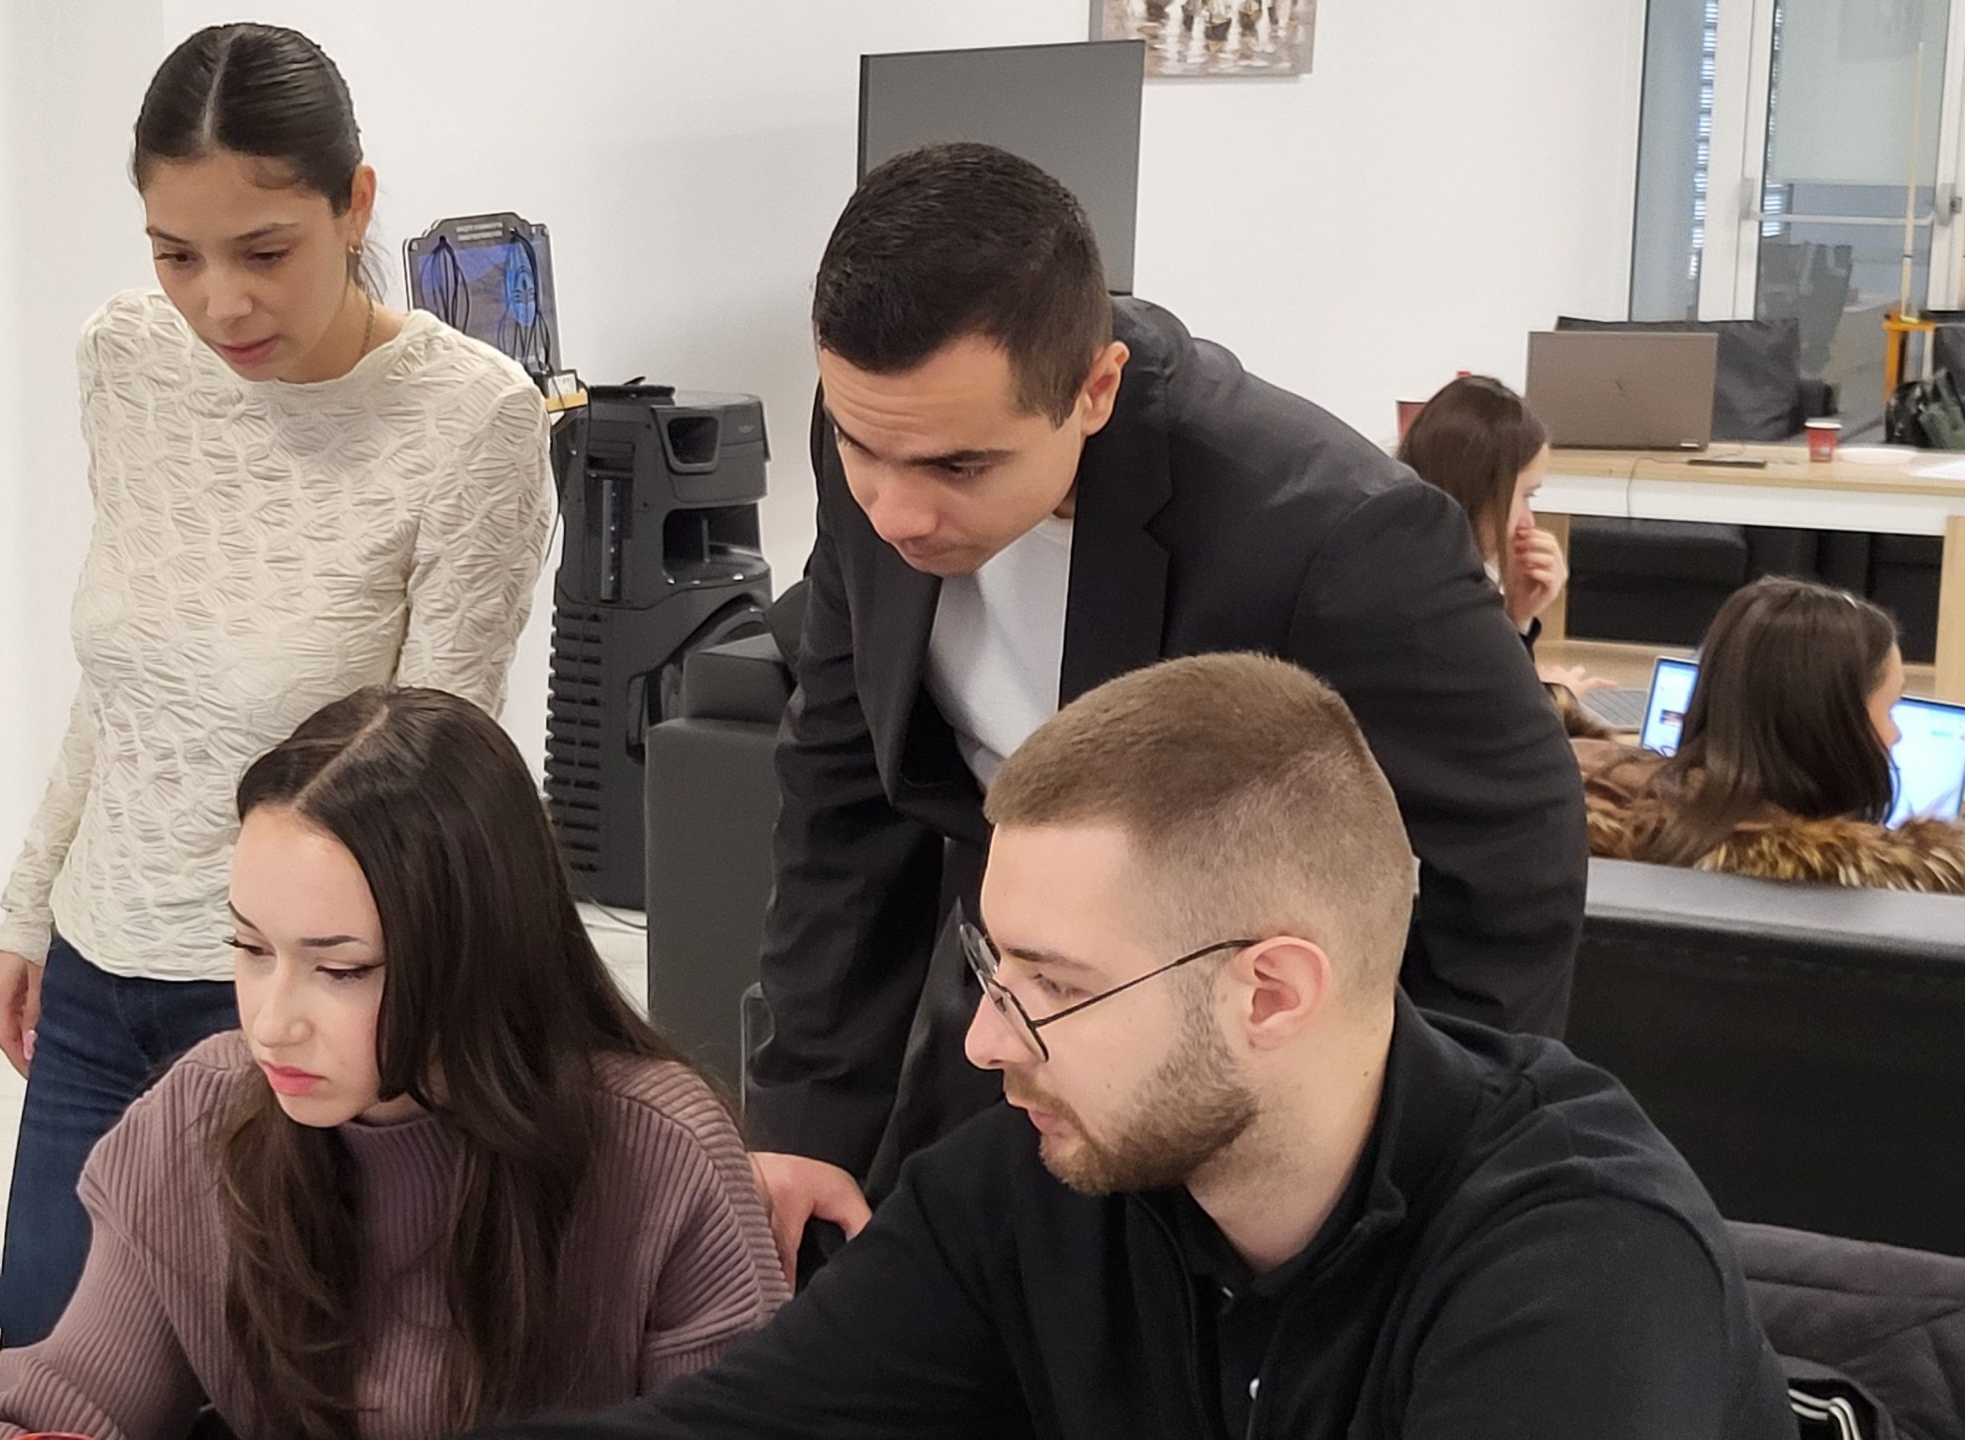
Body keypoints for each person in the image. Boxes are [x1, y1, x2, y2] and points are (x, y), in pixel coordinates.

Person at [469, 654, 1792, 1440]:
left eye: (1053, 986)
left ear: (1269, 993)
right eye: (991, 966)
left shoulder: (1582, 1268)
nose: (989, 1040)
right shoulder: (1034, 1185)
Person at [747, 142, 1588, 1270]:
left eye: (958, 468)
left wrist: (1407, 1181)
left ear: (1094, 391)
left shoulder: (1331, 535)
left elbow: (1512, 856)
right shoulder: (882, 422)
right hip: (1011, 1011)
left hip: (1249, 1065)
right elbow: (844, 798)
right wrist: (804, 1124)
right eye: (862, 450)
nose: (894, 512)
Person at [0, 24, 556, 1344]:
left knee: (262, 1378)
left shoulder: (468, 418)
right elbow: (122, 681)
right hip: (93, 970)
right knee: (50, 1370)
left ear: (355, 204)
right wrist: (30, 908)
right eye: (176, 254)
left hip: (287, 996)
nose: (219, 305)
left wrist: (379, 1021)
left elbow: (440, 775)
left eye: (263, 252)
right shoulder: (127, 359)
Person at [0, 688, 786, 1440]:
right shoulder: (198, 1116)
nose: (271, 1024)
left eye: (342, 969)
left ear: (474, 956)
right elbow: (49, 1410)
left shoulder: (658, 1152)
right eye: (249, 948)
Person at [1583, 577, 1965, 891]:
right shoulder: (1900, 888)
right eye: (1890, 709)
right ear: (1835, 727)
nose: (1896, 735)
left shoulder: (1585, 814)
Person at [1395, 373, 1609, 700]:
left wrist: (1516, 619)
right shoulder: (1450, 610)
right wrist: (1559, 700)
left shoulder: (1400, 571)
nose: (1528, 521)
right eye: (1525, 495)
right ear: (1481, 492)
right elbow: (1507, 720)